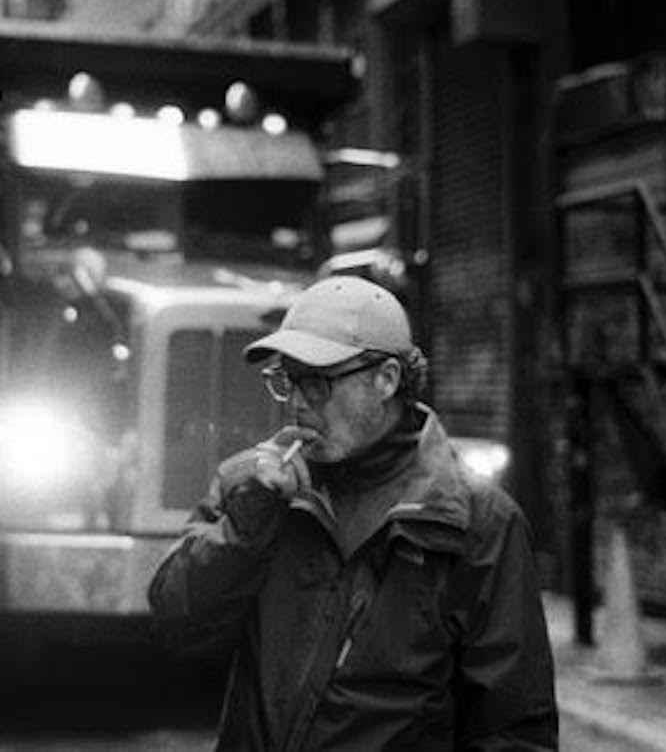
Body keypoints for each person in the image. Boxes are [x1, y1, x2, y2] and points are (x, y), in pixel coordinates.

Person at [148, 275, 559, 750]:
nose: (298, 404)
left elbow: (514, 729)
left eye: (318, 384)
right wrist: (251, 520)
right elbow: (176, 620)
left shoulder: (477, 522)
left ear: (386, 380)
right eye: (288, 381)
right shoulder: (254, 488)